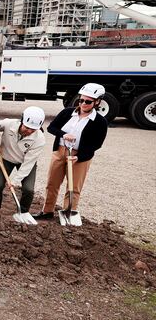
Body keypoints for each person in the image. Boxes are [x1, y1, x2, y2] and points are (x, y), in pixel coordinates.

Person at [36, 83, 108, 220]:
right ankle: (47, 211)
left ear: (97, 102)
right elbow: (52, 127)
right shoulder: (67, 113)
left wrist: (80, 157)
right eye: (81, 100)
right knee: (52, 183)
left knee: (73, 188)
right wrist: (63, 134)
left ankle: (68, 213)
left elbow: (96, 144)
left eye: (88, 101)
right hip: (60, 152)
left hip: (79, 157)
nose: (83, 104)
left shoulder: (100, 122)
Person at [0, 106, 46, 222]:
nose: (29, 131)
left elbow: (28, 163)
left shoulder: (39, 139)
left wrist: (15, 181)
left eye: (33, 129)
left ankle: (23, 212)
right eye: (27, 127)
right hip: (5, 158)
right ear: (22, 121)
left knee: (28, 189)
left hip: (25, 162)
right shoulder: (8, 124)